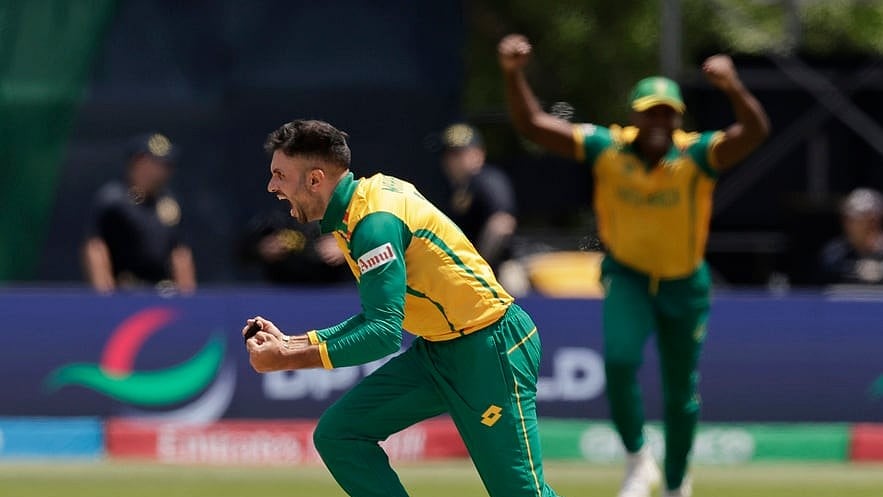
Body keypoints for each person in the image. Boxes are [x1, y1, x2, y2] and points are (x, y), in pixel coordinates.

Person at [498, 34, 770, 497]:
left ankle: (678, 482)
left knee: (681, 393)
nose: (659, 121)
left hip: (684, 284)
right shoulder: (608, 148)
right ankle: (638, 460)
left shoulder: (696, 154)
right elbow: (534, 125)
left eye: (668, 112)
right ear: (635, 115)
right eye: (651, 111)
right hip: (628, 276)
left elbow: (757, 133)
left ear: (678, 117)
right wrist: (512, 72)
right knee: (621, 362)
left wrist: (733, 87)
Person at [243, 119, 561, 497]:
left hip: (490, 349)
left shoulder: (374, 223)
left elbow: (382, 334)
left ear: (314, 179)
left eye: (280, 175)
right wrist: (292, 343)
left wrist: (289, 360)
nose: (272, 187)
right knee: (340, 434)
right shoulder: (360, 204)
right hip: (441, 350)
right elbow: (378, 317)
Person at [82, 132, 196, 294]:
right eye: (157, 163)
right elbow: (96, 247)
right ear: (138, 162)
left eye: (167, 165)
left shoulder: (169, 203)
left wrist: (187, 296)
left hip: (164, 293)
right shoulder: (114, 199)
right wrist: (104, 294)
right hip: (125, 292)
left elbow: (180, 252)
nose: (163, 171)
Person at [438, 122, 517, 272]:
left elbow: (502, 224)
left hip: (500, 272)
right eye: (450, 154)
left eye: (460, 153)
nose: (453, 160)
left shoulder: (488, 180)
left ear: (479, 154)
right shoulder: (456, 189)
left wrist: (478, 267)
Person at [238, 209, 349, 285]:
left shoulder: (342, 212)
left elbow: (363, 242)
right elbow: (240, 253)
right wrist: (261, 249)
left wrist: (346, 247)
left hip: (334, 290)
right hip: (278, 291)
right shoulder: (275, 216)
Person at [818, 187, 883, 285]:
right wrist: (855, 268)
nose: (848, 224)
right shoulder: (835, 251)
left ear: (874, 220)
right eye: (846, 218)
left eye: (856, 218)